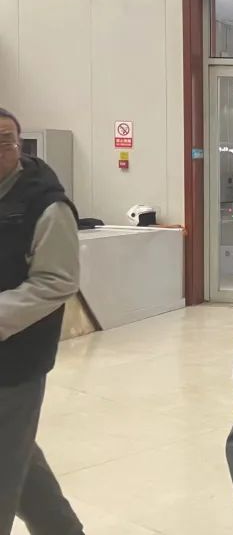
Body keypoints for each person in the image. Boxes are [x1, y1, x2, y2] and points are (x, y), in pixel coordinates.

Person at [0, 108, 84, 535]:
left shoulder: (46, 205)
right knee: (17, 456)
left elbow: (57, 281)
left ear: (19, 145)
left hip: (16, 362)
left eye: (6, 140)